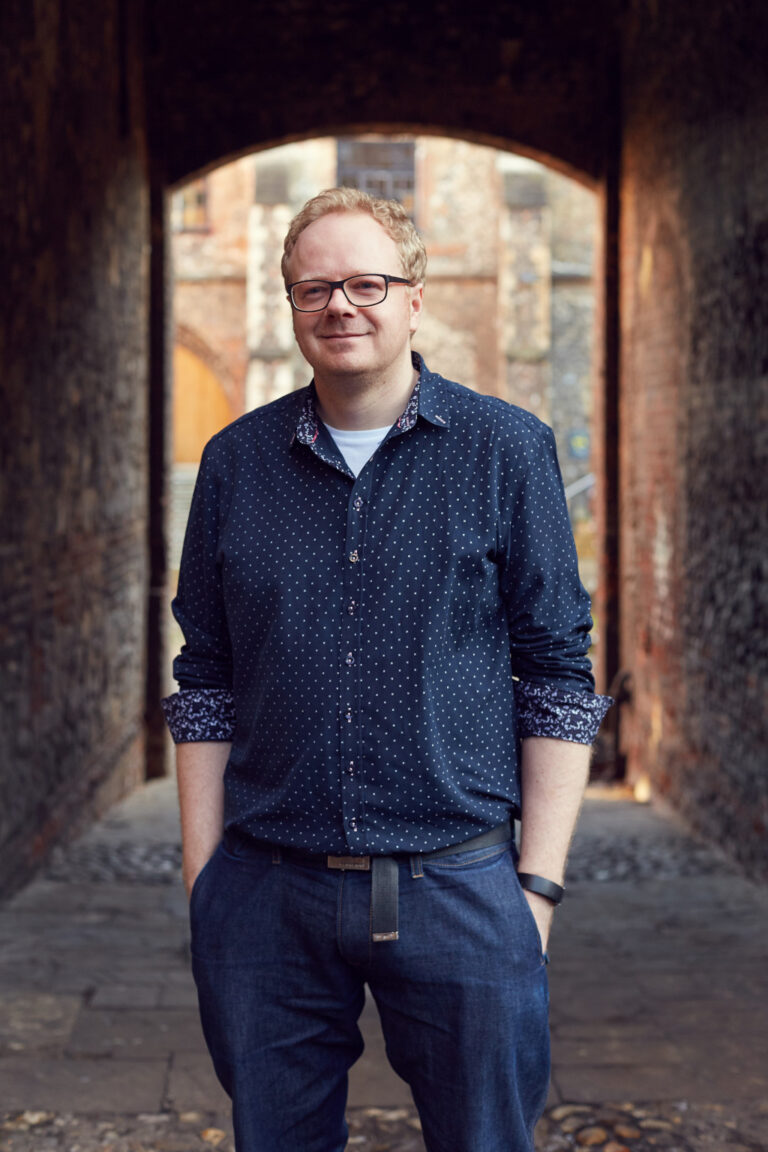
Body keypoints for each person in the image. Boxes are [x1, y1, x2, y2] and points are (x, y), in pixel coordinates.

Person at [162, 187, 612, 1152]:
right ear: (291, 307)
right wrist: (205, 880)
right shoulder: (236, 463)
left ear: (414, 298)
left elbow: (557, 676)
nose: (341, 306)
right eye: (315, 287)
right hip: (266, 896)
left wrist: (535, 890)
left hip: (459, 888)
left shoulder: (507, 451)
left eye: (367, 282)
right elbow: (204, 681)